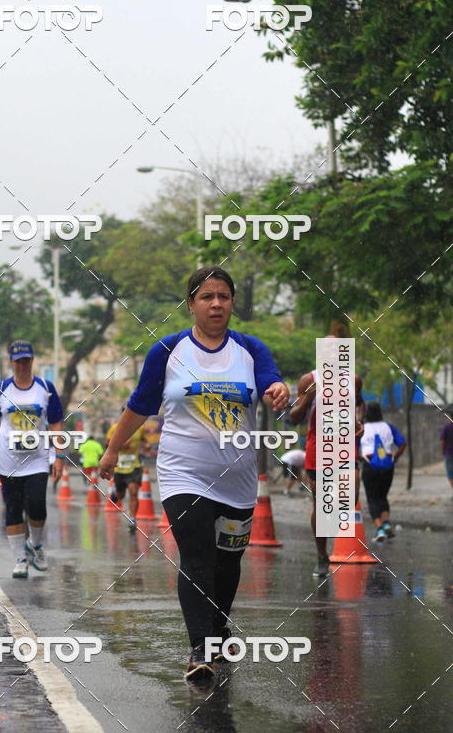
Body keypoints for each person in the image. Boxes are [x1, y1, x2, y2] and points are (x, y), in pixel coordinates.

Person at [99, 266, 289, 681]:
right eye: (207, 297)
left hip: (238, 477)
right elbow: (139, 406)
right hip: (182, 473)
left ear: (232, 303)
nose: (216, 303)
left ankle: (219, 629)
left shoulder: (251, 349)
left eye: (223, 296)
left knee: (228, 562)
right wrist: (113, 448)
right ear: (191, 304)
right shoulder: (166, 352)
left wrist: (279, 390)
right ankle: (199, 649)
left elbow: (272, 381)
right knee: (197, 556)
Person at [0, 340, 64, 579]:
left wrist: (60, 456)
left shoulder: (46, 388)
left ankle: (35, 544)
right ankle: (20, 559)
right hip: (7, 460)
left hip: (37, 459)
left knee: (37, 504)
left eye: (26, 360)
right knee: (12, 509)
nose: (22, 365)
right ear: (11, 362)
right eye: (17, 361)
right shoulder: (0, 389)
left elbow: (55, 424)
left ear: (32, 361)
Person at [289, 350, 365, 578]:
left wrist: (359, 421)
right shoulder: (309, 380)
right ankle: (322, 555)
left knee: (351, 497)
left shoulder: (353, 379)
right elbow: (294, 417)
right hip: (318, 450)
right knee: (321, 506)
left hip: (345, 446)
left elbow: (360, 404)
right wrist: (308, 399)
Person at [359, 402, 406, 541]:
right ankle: (386, 524)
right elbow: (402, 444)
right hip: (388, 466)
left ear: (367, 413)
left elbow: (353, 449)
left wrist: (360, 458)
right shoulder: (389, 427)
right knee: (382, 497)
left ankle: (380, 530)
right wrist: (395, 458)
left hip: (370, 466)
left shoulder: (362, 428)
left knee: (372, 498)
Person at [105, 411, 150, 531]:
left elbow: (144, 440)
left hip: (134, 465)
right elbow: (107, 444)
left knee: (133, 491)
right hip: (119, 466)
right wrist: (122, 445)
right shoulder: (115, 428)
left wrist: (146, 446)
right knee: (121, 495)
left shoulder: (139, 428)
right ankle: (116, 492)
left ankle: (133, 519)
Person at [440, 419, 453, 490]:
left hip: (449, 454)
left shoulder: (446, 427)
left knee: (451, 475)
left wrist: (443, 452)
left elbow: (442, 441)